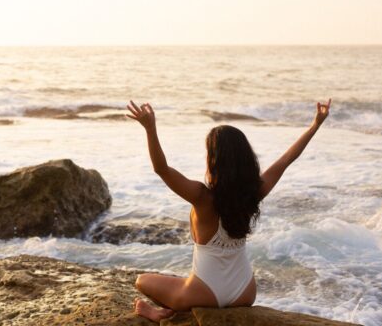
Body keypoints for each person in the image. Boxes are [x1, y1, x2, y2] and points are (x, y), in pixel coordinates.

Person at [126, 98, 331, 322]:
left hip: (203, 293)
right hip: (244, 291)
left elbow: (161, 169)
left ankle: (159, 315)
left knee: (142, 280)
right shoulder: (254, 193)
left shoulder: (202, 197)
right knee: (182, 281)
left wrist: (150, 128)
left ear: (214, 160)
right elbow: (286, 159)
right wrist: (315, 124)